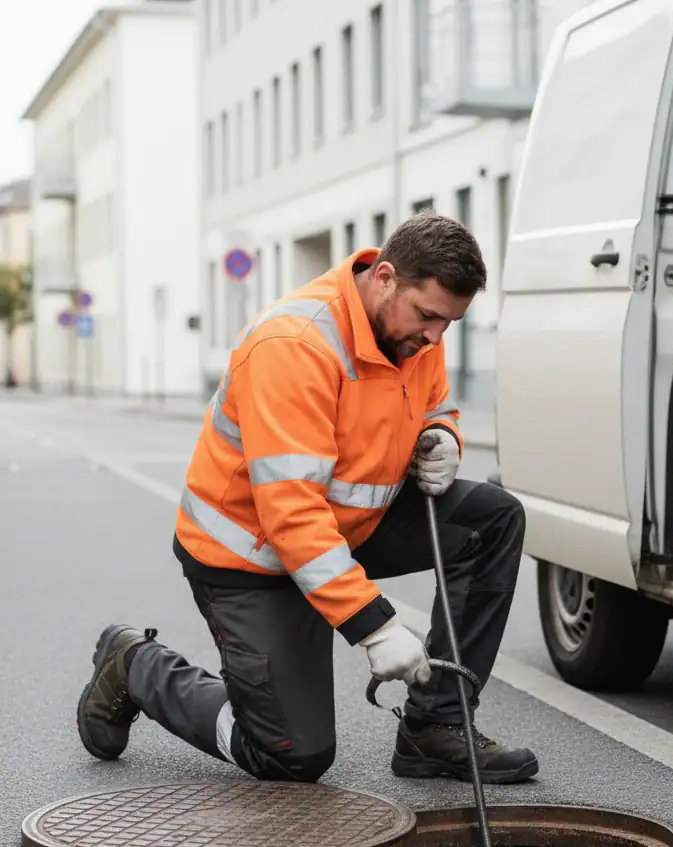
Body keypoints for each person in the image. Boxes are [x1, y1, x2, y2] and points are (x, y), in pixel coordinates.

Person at [76, 212, 539, 785]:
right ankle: (136, 665)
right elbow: (291, 515)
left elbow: (434, 401)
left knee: (493, 520)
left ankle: (436, 725)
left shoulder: (414, 333)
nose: (435, 337)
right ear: (386, 277)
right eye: (428, 317)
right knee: (291, 755)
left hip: (349, 529)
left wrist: (442, 435)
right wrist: (373, 625)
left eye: (449, 324)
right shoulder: (295, 346)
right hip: (252, 556)